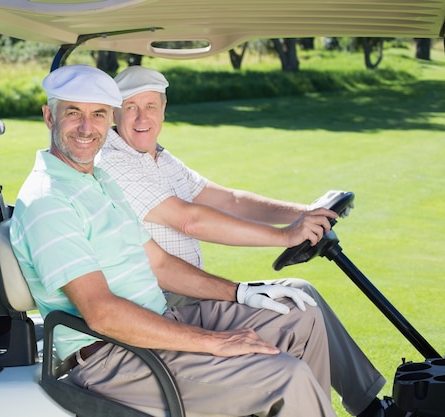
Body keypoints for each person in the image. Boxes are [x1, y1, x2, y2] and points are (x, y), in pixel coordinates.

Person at [10, 64, 338, 417]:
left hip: (158, 323)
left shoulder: (100, 181)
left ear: (109, 120)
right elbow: (102, 314)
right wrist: (215, 342)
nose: (87, 127)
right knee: (287, 376)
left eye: (98, 114)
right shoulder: (49, 200)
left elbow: (161, 264)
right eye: (73, 113)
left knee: (298, 315)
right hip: (110, 358)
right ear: (48, 116)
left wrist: (240, 292)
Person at [95, 65, 410, 417]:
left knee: (301, 298)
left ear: (164, 109)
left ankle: (366, 406)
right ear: (115, 113)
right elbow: (190, 219)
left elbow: (229, 199)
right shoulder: (115, 162)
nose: (142, 117)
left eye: (150, 106)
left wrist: (306, 212)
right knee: (298, 312)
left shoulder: (159, 158)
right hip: (166, 303)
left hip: (191, 294)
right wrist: (286, 235)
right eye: (131, 107)